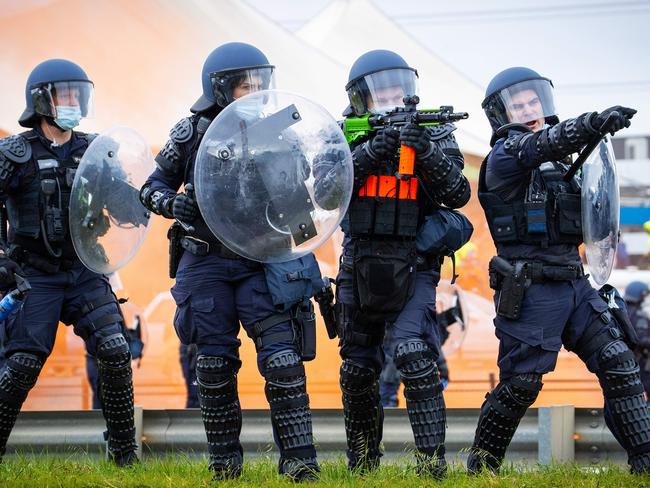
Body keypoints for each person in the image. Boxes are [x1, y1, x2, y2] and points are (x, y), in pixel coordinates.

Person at [139, 42, 321, 481]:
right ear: (220, 88)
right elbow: (150, 187)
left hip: (263, 259)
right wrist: (172, 203)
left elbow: (304, 196)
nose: (255, 91)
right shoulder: (190, 132)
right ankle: (225, 465)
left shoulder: (280, 131)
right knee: (214, 364)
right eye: (245, 85)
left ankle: (300, 463)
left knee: (282, 359)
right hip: (205, 260)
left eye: (261, 82)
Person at [467, 66, 650, 474]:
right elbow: (541, 145)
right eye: (518, 104)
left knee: (619, 362)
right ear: (502, 113)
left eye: (534, 101)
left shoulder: (564, 162)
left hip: (575, 284)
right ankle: (481, 468)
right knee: (521, 385)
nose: (529, 109)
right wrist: (591, 123)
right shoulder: (505, 157)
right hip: (531, 290)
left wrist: (590, 132)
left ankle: (645, 460)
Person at [325, 49, 470, 477]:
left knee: (413, 353)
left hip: (415, 263)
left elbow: (458, 193)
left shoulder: (435, 131)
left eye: (397, 91)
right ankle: (363, 465)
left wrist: (424, 151)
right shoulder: (341, 134)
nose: (390, 99)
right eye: (380, 93)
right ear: (360, 99)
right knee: (356, 368)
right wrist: (371, 151)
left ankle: (432, 466)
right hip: (358, 262)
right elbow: (323, 189)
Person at [0, 59, 138, 465]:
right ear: (41, 100)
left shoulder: (95, 151)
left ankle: (124, 454)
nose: (74, 102)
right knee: (23, 363)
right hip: (33, 276)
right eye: (65, 95)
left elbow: (122, 201)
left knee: (114, 349)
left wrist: (144, 201)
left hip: (84, 272)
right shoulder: (13, 153)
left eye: (79, 94)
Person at [625, 281, 650, 400]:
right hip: (640, 360)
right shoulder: (638, 314)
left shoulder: (622, 311)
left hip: (626, 360)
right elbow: (642, 339)